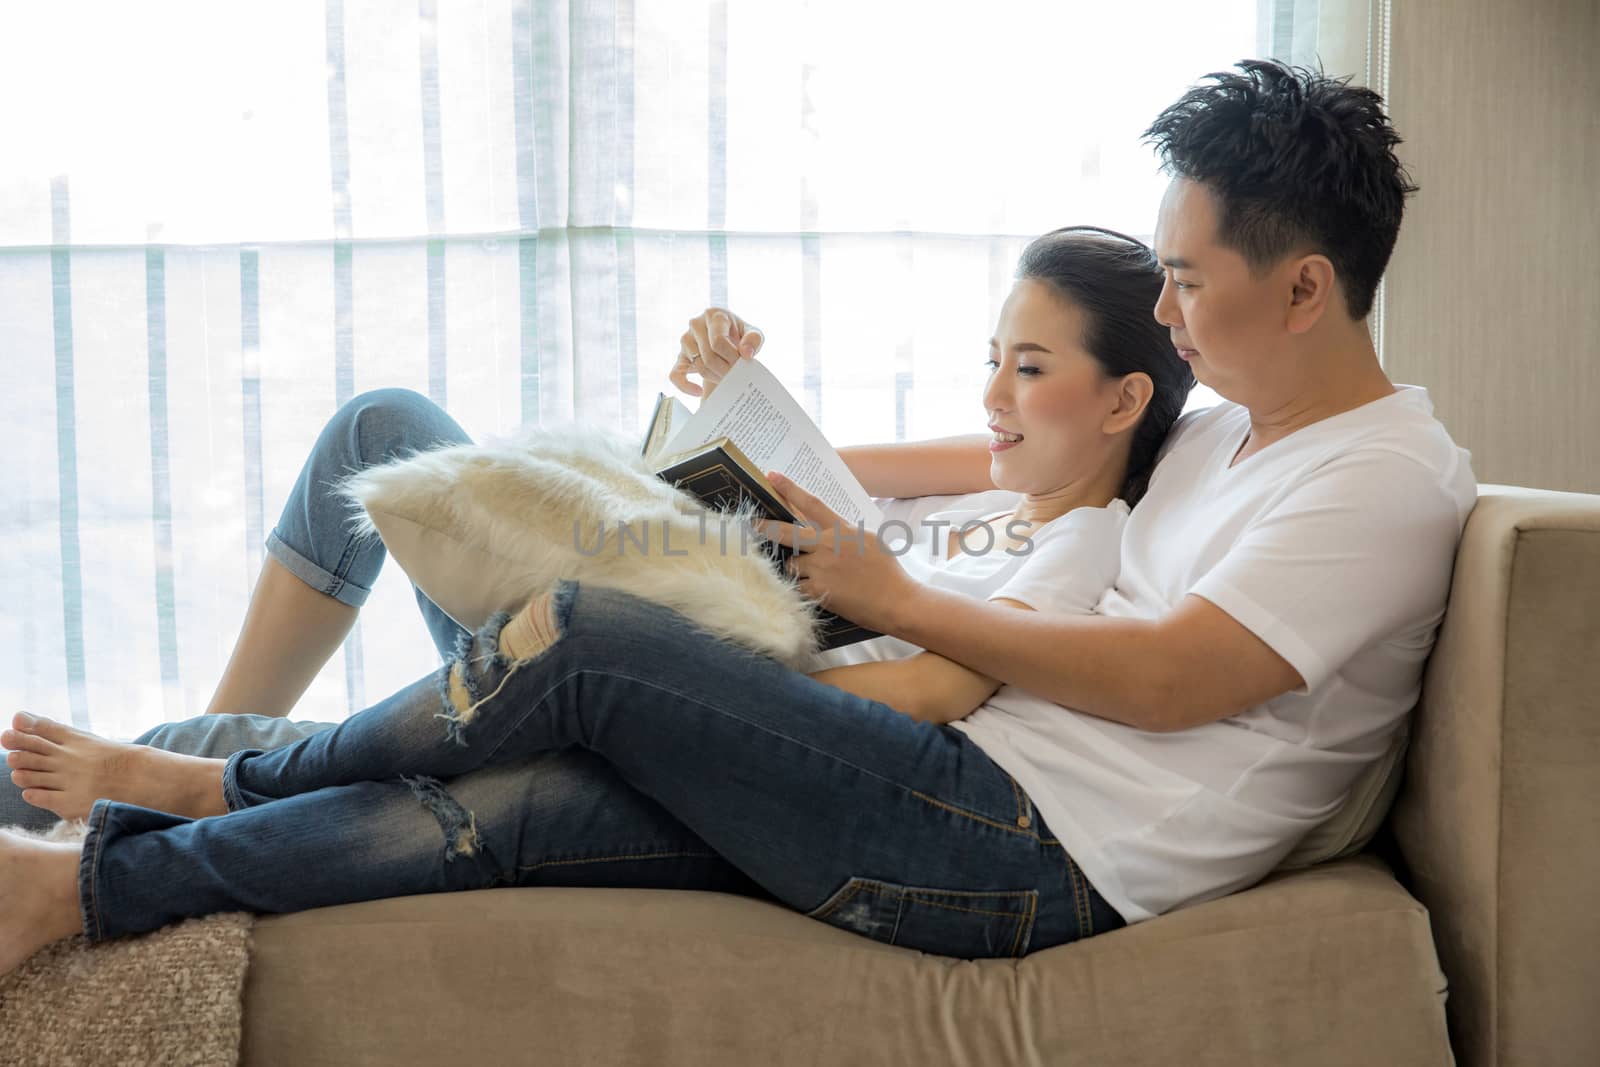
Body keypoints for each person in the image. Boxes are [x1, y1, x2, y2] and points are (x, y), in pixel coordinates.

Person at [3, 56, 1479, 969]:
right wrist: (760, 423)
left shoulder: (1383, 479)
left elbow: (1173, 680)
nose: (1165, 309)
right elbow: (1003, 458)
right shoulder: (1221, 425)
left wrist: (891, 600)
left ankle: (223, 782)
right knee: (516, 803)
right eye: (1154, 275)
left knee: (585, 635)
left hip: (1028, 850)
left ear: (1304, 286)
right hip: (940, 773)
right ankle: (88, 886)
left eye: (1189, 280)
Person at [0, 224, 1190, 969]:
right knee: (383, 431)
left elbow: (926, 691)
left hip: (707, 709)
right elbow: (772, 478)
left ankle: (211, 780)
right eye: (990, 353)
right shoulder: (980, 472)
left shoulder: (1081, 549)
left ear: (1122, 400)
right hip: (646, 643)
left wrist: (729, 662)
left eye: (1028, 369)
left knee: (519, 695)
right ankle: (212, 752)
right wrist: (727, 383)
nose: (991, 391)